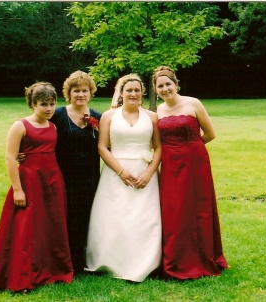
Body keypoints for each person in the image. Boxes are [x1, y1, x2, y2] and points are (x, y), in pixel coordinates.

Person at [0, 82, 73, 292]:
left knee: (49, 226)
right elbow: (9, 157)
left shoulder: (53, 127)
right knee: (26, 228)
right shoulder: (20, 126)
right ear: (33, 104)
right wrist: (17, 189)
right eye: (44, 104)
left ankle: (50, 270)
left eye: (52, 104)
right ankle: (22, 275)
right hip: (29, 182)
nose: (49, 108)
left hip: (51, 181)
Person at [152, 66, 228, 280]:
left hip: (195, 163)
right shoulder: (157, 111)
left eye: (168, 84)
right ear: (156, 90)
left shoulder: (193, 103)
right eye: (160, 86)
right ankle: (176, 258)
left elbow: (210, 134)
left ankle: (202, 256)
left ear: (176, 84)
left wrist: (190, 148)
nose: (165, 89)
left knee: (198, 207)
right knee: (174, 209)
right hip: (170, 165)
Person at [85, 74, 162, 282]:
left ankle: (146, 262)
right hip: (115, 171)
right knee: (114, 215)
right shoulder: (109, 116)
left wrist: (149, 172)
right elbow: (102, 147)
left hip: (144, 172)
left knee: (144, 218)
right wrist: (120, 171)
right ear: (121, 93)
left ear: (142, 93)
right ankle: (111, 260)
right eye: (129, 90)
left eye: (137, 90)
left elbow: (159, 147)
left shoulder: (152, 117)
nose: (133, 94)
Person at [49, 71, 102, 274]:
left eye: (85, 90)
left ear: (91, 93)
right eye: (76, 91)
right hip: (63, 176)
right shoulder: (58, 115)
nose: (81, 94)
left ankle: (81, 261)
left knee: (86, 218)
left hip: (89, 178)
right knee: (65, 218)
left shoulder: (98, 117)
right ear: (68, 93)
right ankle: (63, 260)